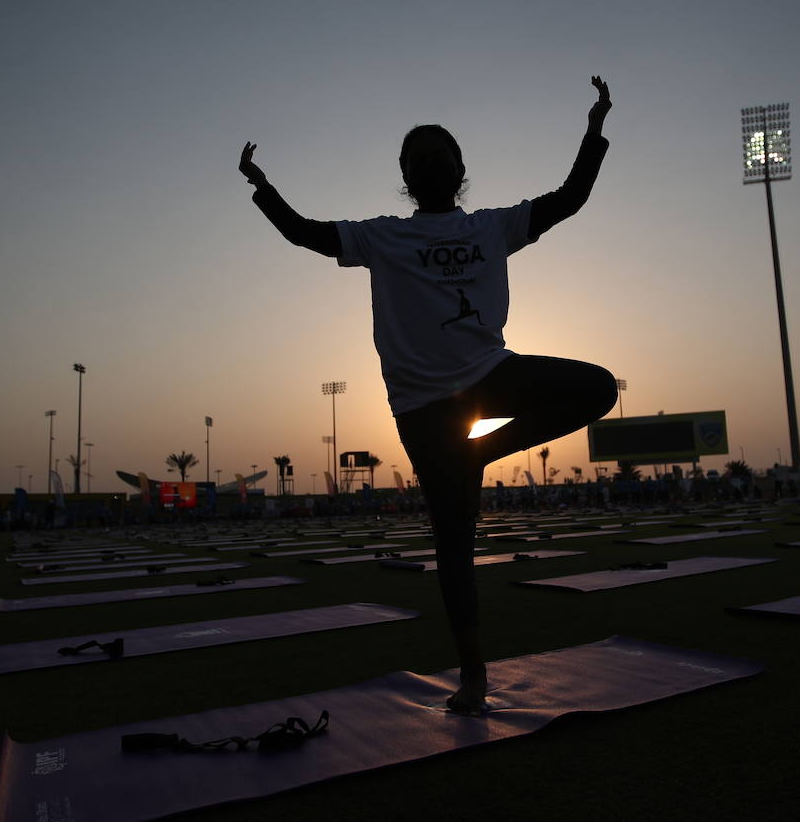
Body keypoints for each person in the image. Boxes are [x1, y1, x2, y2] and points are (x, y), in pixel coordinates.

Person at [240, 76, 619, 714]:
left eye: (441, 155)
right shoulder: (381, 235)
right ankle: (474, 674)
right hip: (421, 409)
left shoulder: (494, 226)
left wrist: (593, 129)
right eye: (419, 160)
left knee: (599, 388)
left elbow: (570, 199)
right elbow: (306, 233)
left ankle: (482, 453)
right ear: (407, 179)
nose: (432, 165)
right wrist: (263, 188)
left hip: (491, 374)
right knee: (453, 542)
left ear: (461, 168)